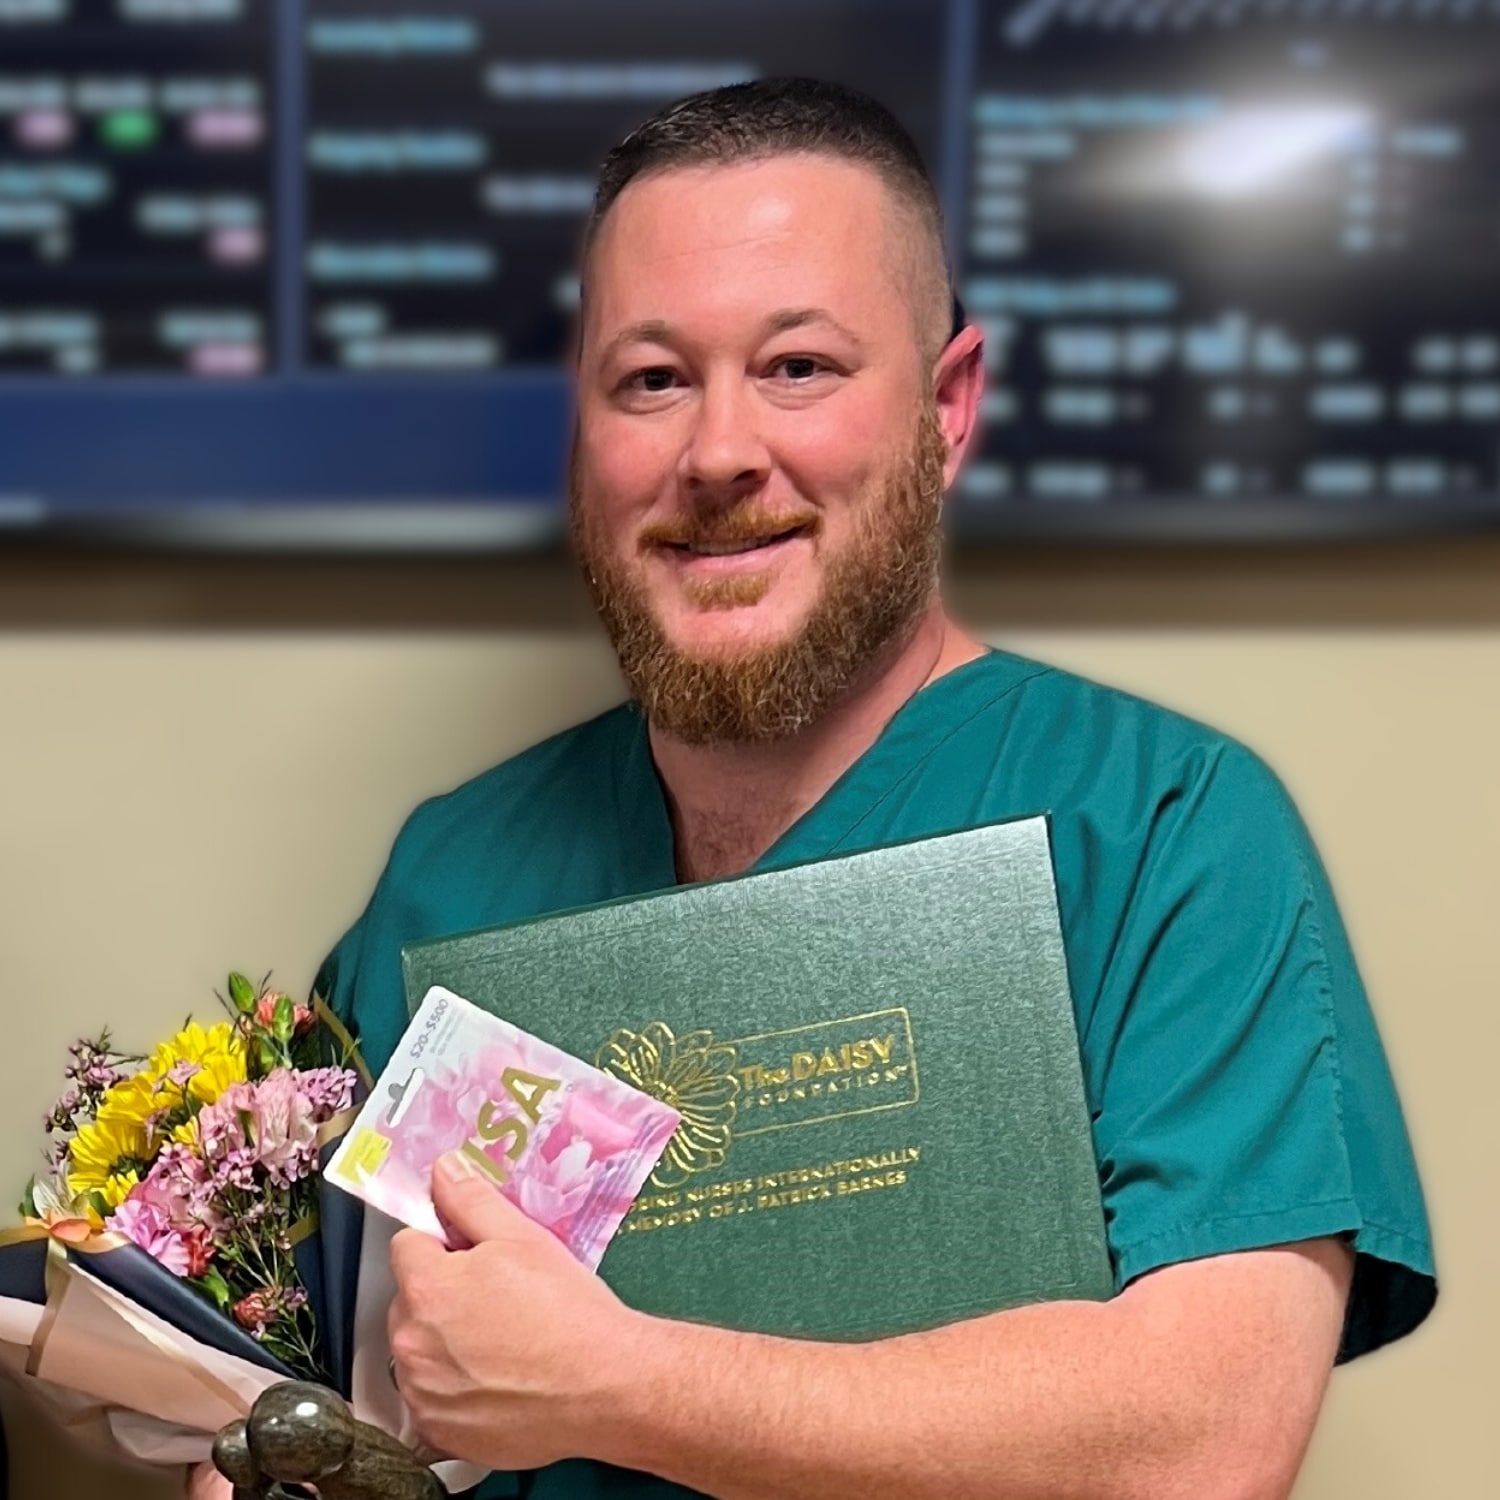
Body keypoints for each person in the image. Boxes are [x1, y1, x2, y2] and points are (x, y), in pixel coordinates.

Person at [200, 78, 1435, 1500]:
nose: (720, 453)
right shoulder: (452, 875)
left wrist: (619, 1386)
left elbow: (1202, 1443)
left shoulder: (1168, 829)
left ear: (948, 407)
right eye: (652, 380)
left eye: (799, 367)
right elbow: (319, 1384)